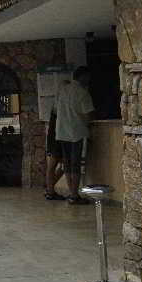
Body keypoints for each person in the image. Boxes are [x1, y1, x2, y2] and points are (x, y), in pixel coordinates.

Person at [55, 67, 95, 205]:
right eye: (88, 76)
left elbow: (56, 109)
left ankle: (71, 193)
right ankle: (74, 194)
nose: (89, 79)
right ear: (83, 77)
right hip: (77, 132)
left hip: (62, 132)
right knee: (75, 164)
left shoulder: (63, 90)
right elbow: (89, 114)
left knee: (67, 164)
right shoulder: (82, 93)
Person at [44, 107, 65, 200]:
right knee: (54, 166)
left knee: (58, 166)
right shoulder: (58, 110)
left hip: (55, 139)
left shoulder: (55, 109)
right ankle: (50, 191)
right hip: (57, 140)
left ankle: (49, 189)